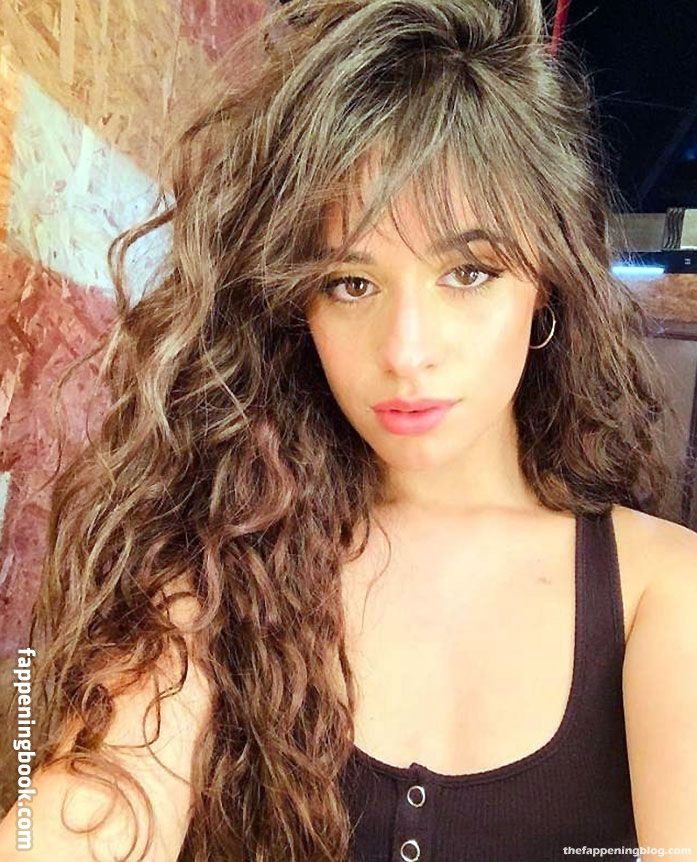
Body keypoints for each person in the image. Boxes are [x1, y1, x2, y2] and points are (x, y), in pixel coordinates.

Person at [1, 0, 696, 860]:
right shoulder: (226, 564)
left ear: (544, 284)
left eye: (467, 272)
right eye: (350, 284)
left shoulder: (662, 593)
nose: (404, 352)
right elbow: (77, 822)